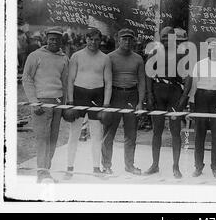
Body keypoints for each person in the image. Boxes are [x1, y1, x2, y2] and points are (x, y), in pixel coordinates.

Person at [22, 26, 69, 183]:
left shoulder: (64, 58)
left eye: (57, 39)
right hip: (41, 103)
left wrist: (64, 105)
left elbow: (65, 83)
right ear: (46, 39)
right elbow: (26, 78)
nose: (54, 41)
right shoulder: (35, 56)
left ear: (62, 40)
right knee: (42, 139)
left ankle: (45, 172)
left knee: (53, 140)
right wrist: (34, 102)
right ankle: (42, 174)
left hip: (57, 103)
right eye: (51, 38)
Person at [65, 27, 112, 178]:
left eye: (96, 39)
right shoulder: (76, 56)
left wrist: (105, 105)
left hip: (97, 96)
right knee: (74, 134)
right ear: (86, 39)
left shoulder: (105, 58)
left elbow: (108, 83)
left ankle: (96, 168)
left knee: (96, 135)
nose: (93, 42)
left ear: (100, 40)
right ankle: (69, 167)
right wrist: (71, 101)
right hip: (79, 95)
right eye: (90, 39)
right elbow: (70, 81)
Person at [144, 27, 191, 178]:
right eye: (163, 37)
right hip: (158, 92)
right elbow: (148, 75)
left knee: (175, 130)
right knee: (157, 130)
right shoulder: (155, 52)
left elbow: (189, 77)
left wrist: (184, 97)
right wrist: (149, 94)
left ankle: (176, 167)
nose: (165, 39)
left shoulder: (182, 53)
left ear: (174, 37)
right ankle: (154, 164)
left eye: (168, 37)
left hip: (174, 93)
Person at [100, 28, 145, 175]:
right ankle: (106, 165)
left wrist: (140, 103)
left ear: (133, 40)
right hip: (114, 95)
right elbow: (104, 81)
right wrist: (105, 102)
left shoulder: (138, 58)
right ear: (118, 40)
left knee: (131, 134)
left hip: (132, 96)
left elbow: (142, 82)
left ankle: (129, 165)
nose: (127, 41)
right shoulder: (109, 57)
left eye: (130, 39)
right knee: (109, 133)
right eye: (124, 38)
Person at [189, 37, 216, 179]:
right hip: (201, 98)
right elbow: (194, 87)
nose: (212, 50)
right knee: (199, 134)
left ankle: (215, 167)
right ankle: (198, 167)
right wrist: (192, 105)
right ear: (206, 49)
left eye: (215, 48)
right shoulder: (199, 65)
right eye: (209, 48)